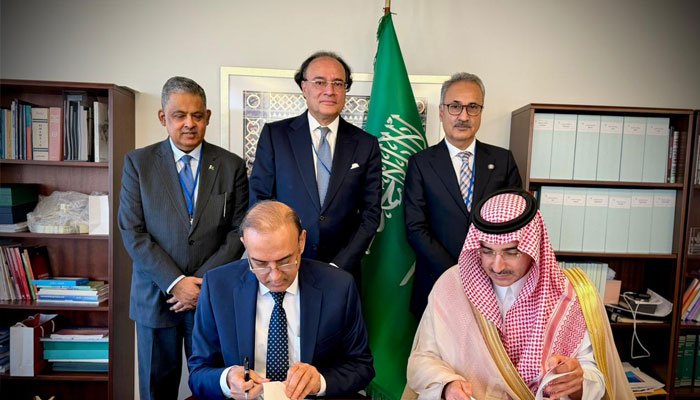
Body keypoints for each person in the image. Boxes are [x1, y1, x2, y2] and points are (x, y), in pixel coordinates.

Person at [405, 189, 635, 400]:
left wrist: (578, 383)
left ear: (534, 246)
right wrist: (447, 385)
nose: (497, 266)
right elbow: (423, 359)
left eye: (511, 252)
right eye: (487, 251)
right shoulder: (451, 286)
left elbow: (595, 374)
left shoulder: (571, 295)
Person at [118, 76, 249, 400]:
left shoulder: (231, 165)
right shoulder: (138, 163)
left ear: (208, 117)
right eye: (179, 115)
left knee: (214, 388)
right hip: (156, 297)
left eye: (197, 115)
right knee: (156, 390)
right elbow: (133, 232)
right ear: (163, 117)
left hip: (210, 298)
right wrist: (175, 282)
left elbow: (239, 231)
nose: (189, 124)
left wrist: (200, 285)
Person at [188, 201, 375, 399]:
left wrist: (319, 381)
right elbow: (199, 373)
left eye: (285, 261)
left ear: (301, 242)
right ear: (245, 245)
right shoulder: (218, 286)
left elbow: (361, 366)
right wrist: (226, 380)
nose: (275, 276)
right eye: (260, 263)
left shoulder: (338, 286)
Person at [248, 51, 382, 281]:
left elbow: (371, 213)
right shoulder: (275, 136)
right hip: (284, 267)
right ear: (304, 87)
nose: (329, 91)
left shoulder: (365, 144)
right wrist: (280, 258)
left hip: (343, 271)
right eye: (320, 82)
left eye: (338, 83)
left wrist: (341, 264)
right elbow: (260, 202)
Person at [404, 72, 522, 317]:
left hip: (493, 283)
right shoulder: (421, 163)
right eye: (455, 106)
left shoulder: (503, 160)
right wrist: (457, 272)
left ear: (481, 111)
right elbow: (416, 228)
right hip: (437, 281)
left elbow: (515, 226)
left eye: (473, 107)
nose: (464, 116)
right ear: (442, 112)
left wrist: (485, 269)